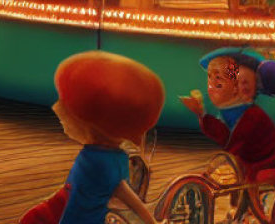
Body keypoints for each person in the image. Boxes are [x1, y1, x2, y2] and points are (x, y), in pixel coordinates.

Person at [20, 52, 166, 224]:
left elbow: (119, 194)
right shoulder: (110, 157)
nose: (59, 111)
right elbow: (116, 193)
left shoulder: (97, 160)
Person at [179, 48, 275, 223]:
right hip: (240, 164)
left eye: (246, 83)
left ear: (255, 88)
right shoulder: (232, 111)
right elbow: (224, 135)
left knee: (246, 185)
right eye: (237, 83)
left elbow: (234, 141)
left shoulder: (254, 116)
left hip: (260, 167)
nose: (240, 88)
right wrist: (201, 114)